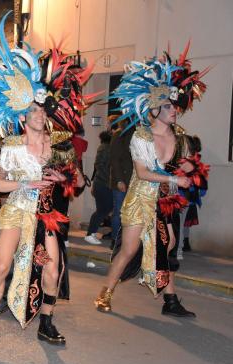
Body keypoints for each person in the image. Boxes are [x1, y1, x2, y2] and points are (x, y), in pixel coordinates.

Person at [0, 14, 86, 346]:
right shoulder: (12, 148)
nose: (39, 116)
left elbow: (79, 182)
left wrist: (63, 178)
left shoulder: (59, 146)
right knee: (2, 267)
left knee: (53, 270)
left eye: (43, 111)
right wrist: (23, 185)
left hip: (46, 216)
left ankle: (47, 322)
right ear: (23, 118)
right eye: (33, 112)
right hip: (15, 212)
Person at [95, 44, 209, 317]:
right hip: (140, 200)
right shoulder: (142, 137)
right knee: (129, 249)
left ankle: (170, 301)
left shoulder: (179, 137)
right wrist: (174, 179)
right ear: (155, 110)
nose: (175, 110)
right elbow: (144, 173)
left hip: (162, 203)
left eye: (175, 106)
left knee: (166, 246)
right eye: (168, 106)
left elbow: (184, 164)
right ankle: (105, 292)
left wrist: (190, 168)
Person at [84, 129, 113, 244]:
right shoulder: (106, 148)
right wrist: (109, 180)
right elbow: (100, 166)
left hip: (102, 183)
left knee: (103, 209)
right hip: (103, 183)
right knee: (103, 210)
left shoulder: (104, 147)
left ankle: (91, 233)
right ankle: (90, 234)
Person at [109, 118, 134, 249]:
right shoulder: (119, 135)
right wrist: (119, 180)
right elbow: (115, 159)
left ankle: (127, 241)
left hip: (134, 181)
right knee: (119, 212)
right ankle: (115, 240)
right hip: (122, 180)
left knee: (131, 214)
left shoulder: (137, 134)